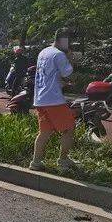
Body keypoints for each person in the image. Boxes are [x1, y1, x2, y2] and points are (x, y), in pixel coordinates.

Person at [30, 28, 78, 171]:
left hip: (40, 99)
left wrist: (59, 83)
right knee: (69, 129)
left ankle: (36, 162)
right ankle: (63, 161)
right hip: (53, 100)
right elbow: (68, 73)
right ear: (63, 41)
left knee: (44, 132)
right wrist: (70, 58)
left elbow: (48, 75)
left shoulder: (43, 52)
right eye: (68, 42)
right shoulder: (59, 55)